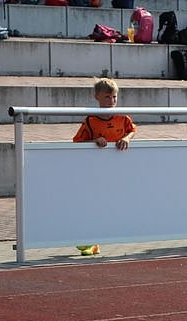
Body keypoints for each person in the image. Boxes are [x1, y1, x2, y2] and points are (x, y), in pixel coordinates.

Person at [72, 77, 137, 256]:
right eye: (107, 97)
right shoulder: (90, 120)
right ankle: (91, 240)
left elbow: (132, 130)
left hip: (119, 170)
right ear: (97, 97)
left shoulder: (123, 117)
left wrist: (126, 138)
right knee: (94, 203)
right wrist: (94, 141)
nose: (111, 101)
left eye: (114, 97)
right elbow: (77, 141)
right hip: (97, 171)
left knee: (114, 204)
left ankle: (100, 238)